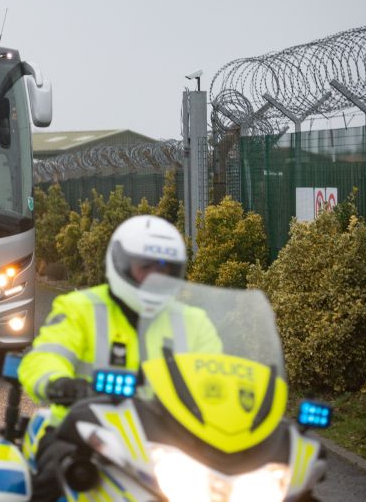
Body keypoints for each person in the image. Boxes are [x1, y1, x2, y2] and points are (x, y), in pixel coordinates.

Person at [18, 215, 221, 502]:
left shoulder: (193, 321)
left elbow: (218, 375)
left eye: (164, 269)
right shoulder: (81, 309)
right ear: (121, 263)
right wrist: (60, 384)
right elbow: (47, 355)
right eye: (145, 267)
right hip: (86, 432)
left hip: (171, 440)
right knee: (56, 475)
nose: (154, 277)